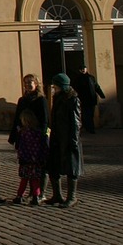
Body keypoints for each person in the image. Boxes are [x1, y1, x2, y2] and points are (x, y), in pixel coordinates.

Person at [46, 73, 83, 207]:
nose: (53, 88)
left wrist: (73, 140)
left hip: (68, 139)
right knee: (53, 166)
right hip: (57, 137)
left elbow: (76, 122)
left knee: (71, 168)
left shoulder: (73, 99)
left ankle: (71, 197)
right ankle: (57, 195)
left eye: (55, 86)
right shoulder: (57, 98)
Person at [10, 107, 48, 205]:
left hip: (26, 160)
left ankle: (19, 195)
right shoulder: (39, 133)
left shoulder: (24, 133)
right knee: (35, 180)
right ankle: (36, 196)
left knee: (24, 179)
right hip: (36, 160)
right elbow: (43, 147)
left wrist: (21, 157)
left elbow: (22, 147)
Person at [71, 65, 106, 133]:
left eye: (84, 68)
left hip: (91, 99)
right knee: (86, 114)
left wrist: (101, 95)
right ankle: (89, 128)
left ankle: (89, 127)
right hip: (83, 100)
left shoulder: (91, 78)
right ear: (79, 70)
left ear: (86, 69)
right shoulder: (78, 79)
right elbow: (75, 89)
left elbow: (96, 87)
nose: (83, 70)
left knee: (90, 114)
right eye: (82, 69)